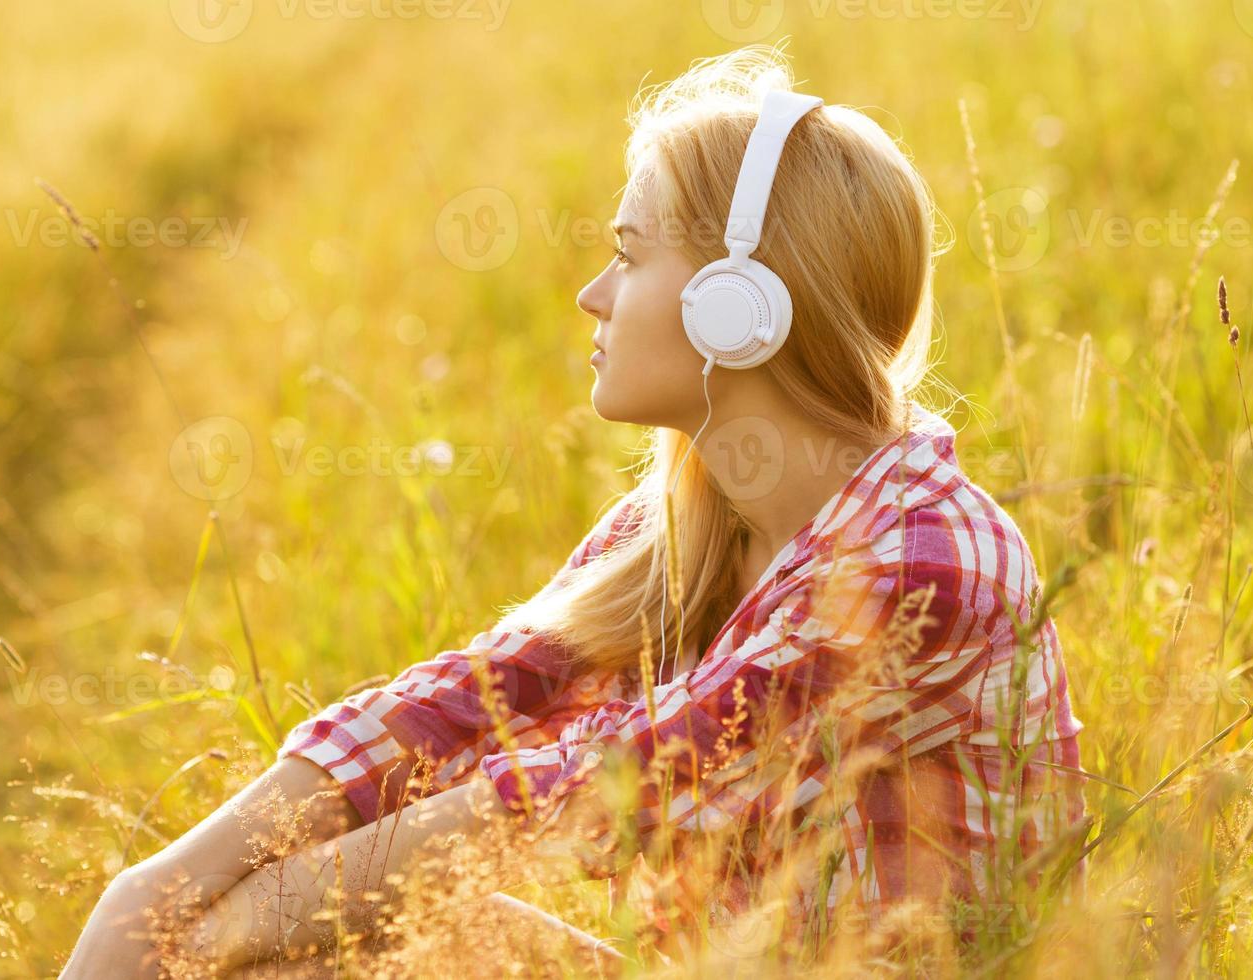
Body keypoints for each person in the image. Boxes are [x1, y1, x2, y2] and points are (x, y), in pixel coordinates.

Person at [57, 42, 1087, 977]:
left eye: (631, 254)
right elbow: (469, 702)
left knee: (298, 954)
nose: (594, 294)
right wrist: (164, 885)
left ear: (741, 301)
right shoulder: (679, 531)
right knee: (326, 958)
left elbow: (601, 788)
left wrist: (220, 927)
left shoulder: (925, 559)